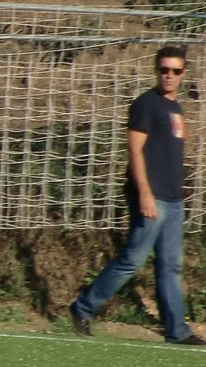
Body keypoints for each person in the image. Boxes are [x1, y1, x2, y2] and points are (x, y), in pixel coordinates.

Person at [70, 45, 204, 345]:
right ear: (156, 70)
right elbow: (135, 150)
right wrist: (144, 192)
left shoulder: (176, 109)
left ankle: (177, 331)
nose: (169, 75)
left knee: (171, 265)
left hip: (173, 198)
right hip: (152, 197)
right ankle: (82, 308)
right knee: (132, 259)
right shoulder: (146, 104)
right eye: (164, 69)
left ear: (184, 74)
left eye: (176, 71)